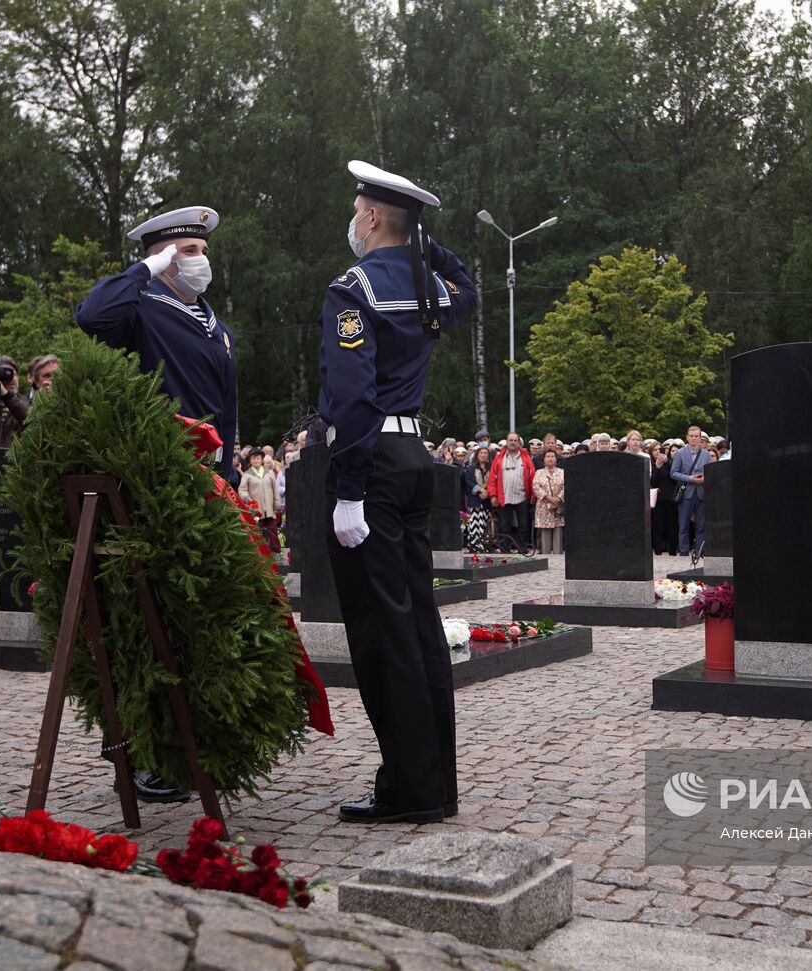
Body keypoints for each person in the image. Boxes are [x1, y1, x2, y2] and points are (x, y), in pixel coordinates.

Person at [319, 159, 478, 824]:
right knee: (418, 626)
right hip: (414, 455)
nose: (354, 218)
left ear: (376, 217)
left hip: (373, 464)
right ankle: (433, 781)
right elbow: (468, 287)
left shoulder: (351, 287)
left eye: (359, 208)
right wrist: (426, 244)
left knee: (383, 635)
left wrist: (348, 489)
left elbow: (353, 398)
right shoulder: (426, 286)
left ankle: (409, 787)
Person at [77, 206, 239, 486]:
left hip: (212, 478)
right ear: (160, 259)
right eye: (189, 251)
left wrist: (230, 478)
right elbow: (93, 315)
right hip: (160, 473)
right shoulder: (140, 309)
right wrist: (143, 271)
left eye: (204, 251)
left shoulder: (220, 330)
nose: (201, 259)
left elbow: (228, 411)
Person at [486, 432, 535, 545]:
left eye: (515, 440)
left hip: (522, 497)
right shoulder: (499, 459)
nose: (513, 442)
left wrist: (533, 495)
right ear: (507, 442)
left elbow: (532, 477)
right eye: (510, 440)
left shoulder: (526, 458)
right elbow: (492, 479)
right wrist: (493, 495)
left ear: (519, 443)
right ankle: (505, 548)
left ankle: (523, 548)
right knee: (504, 526)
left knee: (523, 526)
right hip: (504, 497)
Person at [671, 425, 711, 557]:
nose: (694, 438)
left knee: (701, 525)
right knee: (683, 525)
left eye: (696, 436)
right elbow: (673, 473)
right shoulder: (680, 453)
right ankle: (684, 551)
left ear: (700, 438)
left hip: (701, 492)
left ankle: (700, 551)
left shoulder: (706, 454)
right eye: (691, 436)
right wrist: (690, 478)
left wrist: (705, 478)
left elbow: (711, 472)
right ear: (687, 437)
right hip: (686, 492)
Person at [239, 449, 281, 553]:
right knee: (257, 535)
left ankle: (276, 554)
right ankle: (259, 557)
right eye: (253, 458)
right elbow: (241, 490)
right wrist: (247, 498)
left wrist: (277, 506)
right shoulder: (247, 474)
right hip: (256, 510)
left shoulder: (269, 473)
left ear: (262, 459)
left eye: (258, 458)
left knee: (273, 534)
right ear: (250, 461)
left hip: (269, 509)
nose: (256, 460)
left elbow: (275, 490)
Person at [532, 446, 565, 554]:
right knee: (545, 534)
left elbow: (566, 486)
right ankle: (545, 557)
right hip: (544, 507)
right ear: (544, 459)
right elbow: (536, 487)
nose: (550, 458)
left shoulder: (562, 472)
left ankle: (558, 556)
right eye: (548, 456)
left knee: (558, 533)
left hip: (558, 506)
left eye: (552, 456)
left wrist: (559, 498)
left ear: (556, 459)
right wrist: (549, 498)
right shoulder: (539, 473)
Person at [462, 445, 493, 550]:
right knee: (474, 523)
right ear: (477, 455)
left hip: (487, 501)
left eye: (485, 453)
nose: (483, 455)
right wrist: (480, 490)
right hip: (475, 500)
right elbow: (469, 482)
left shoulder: (491, 468)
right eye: (481, 453)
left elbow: (493, 481)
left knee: (484, 523)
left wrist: (488, 492)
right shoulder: (471, 468)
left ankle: (483, 544)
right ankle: (474, 545)